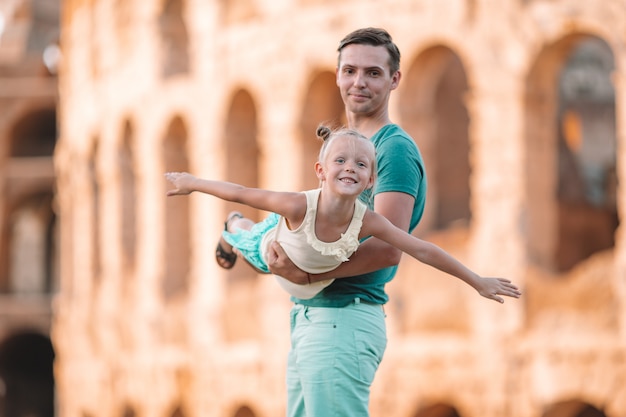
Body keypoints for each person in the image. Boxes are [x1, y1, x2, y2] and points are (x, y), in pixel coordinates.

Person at [262, 27, 520, 417]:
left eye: (373, 72)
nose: (358, 82)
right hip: (316, 317)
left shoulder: (393, 150)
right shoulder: (347, 145)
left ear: (394, 79)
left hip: (343, 319)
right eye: (349, 71)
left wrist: (307, 276)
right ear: (337, 75)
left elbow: (386, 249)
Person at [165, 126, 520, 304]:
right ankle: (231, 226)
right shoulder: (297, 204)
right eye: (340, 161)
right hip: (274, 248)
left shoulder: (368, 220)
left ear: (371, 179)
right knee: (248, 238)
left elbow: (421, 249)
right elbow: (242, 192)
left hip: (310, 276)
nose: (350, 168)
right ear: (320, 170)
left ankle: (237, 227)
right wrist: (192, 183)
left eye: (360, 164)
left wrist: (478, 281)